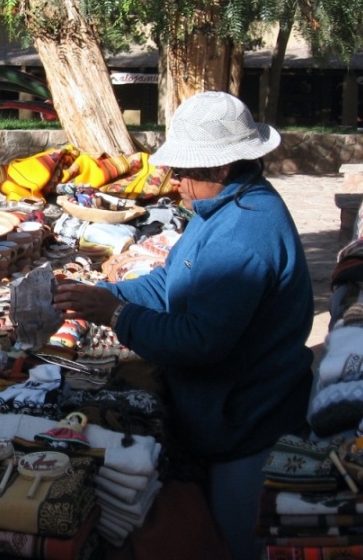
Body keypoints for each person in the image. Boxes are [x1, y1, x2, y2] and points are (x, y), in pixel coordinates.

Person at [53, 90, 314, 560]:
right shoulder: (218, 209)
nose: (174, 182)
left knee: (234, 546)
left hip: (248, 427)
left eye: (185, 172)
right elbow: (169, 283)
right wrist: (99, 295)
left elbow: (198, 342)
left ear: (221, 169)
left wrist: (113, 314)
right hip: (223, 414)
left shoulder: (243, 237)